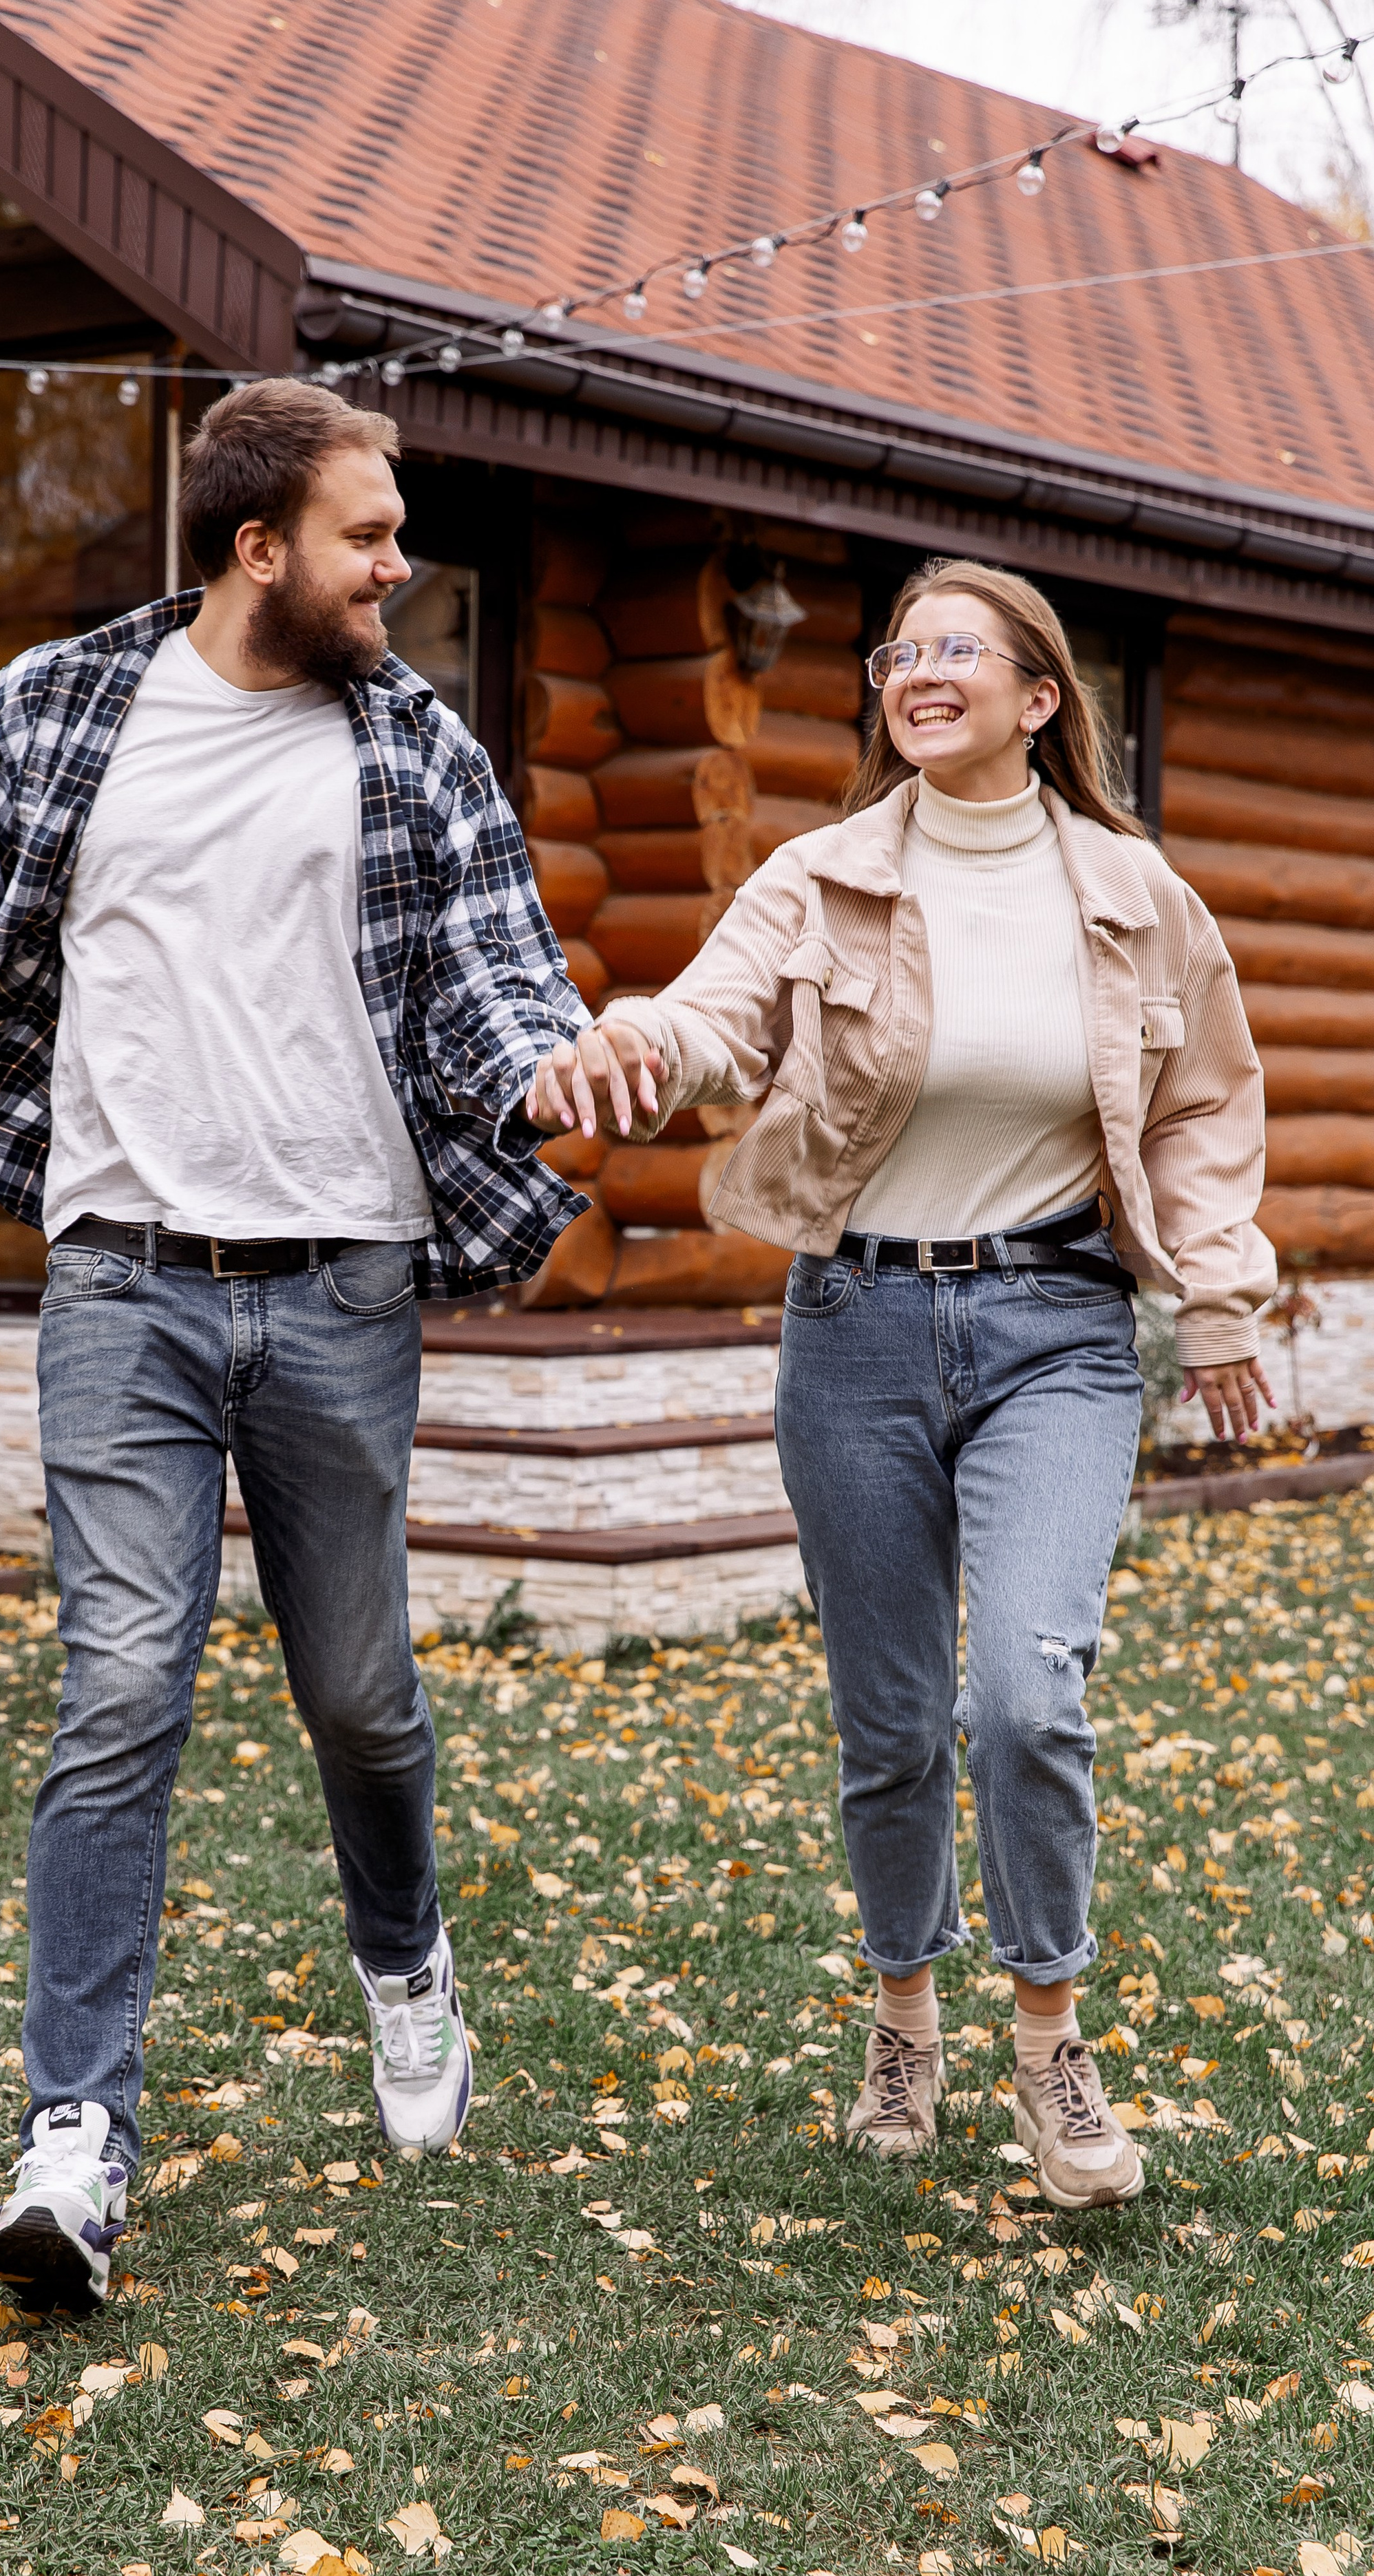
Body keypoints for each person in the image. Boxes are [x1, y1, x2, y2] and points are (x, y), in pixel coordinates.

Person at [0, 376, 591, 2307]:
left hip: (340, 1287)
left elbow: (493, 984)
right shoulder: (56, 715)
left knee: (361, 1698)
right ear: (256, 549)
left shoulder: (412, 748)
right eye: (369, 537)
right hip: (123, 1275)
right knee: (120, 1686)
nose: (400, 566)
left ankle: (405, 1956)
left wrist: (565, 1069)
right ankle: (76, 2138)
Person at [530, 556, 1274, 2210]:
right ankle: (901, 2021)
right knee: (886, 1728)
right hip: (853, 1330)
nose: (917, 671)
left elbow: (1202, 1105)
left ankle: (1048, 2045)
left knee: (1024, 1696)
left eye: (958, 650)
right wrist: (639, 1038)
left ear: (1035, 697)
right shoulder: (819, 874)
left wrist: (1218, 1306)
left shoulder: (1132, 892)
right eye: (898, 651)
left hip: (1056, 1331)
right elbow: (719, 1021)